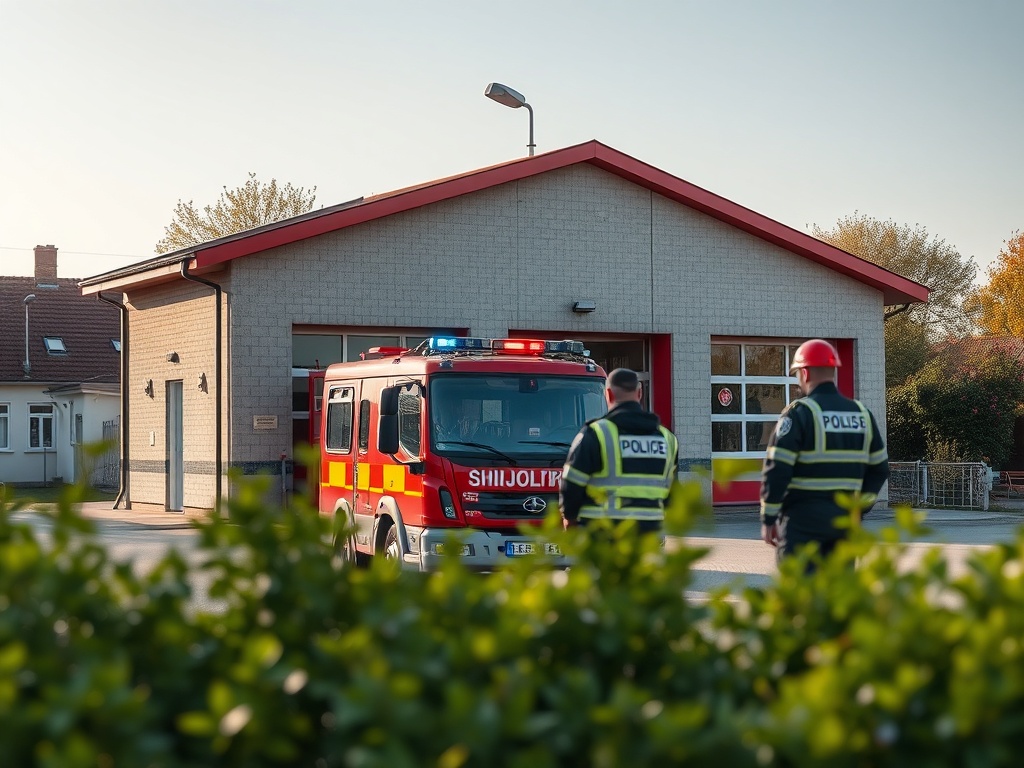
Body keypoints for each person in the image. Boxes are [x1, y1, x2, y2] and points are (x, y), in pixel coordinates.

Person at [760, 339, 889, 566]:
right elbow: (879, 469)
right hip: (845, 524)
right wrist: (859, 507)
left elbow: (777, 468)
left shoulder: (799, 413)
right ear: (833, 371)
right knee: (839, 595)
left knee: (801, 595)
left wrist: (768, 518)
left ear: (805, 373)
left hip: (803, 523)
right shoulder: (862, 414)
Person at [559, 368, 679, 534]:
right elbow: (670, 490)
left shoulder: (597, 433)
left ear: (608, 394)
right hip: (649, 534)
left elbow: (572, 483)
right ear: (639, 394)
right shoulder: (667, 439)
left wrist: (569, 517)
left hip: (604, 533)